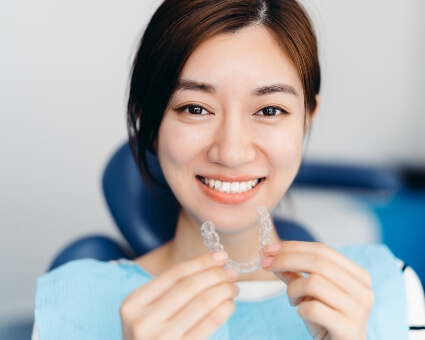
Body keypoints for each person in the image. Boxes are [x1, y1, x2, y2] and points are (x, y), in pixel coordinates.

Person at [33, 0, 425, 339]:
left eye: (270, 110)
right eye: (195, 108)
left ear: (306, 121)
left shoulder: (389, 287)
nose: (232, 152)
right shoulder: (72, 303)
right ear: (148, 124)